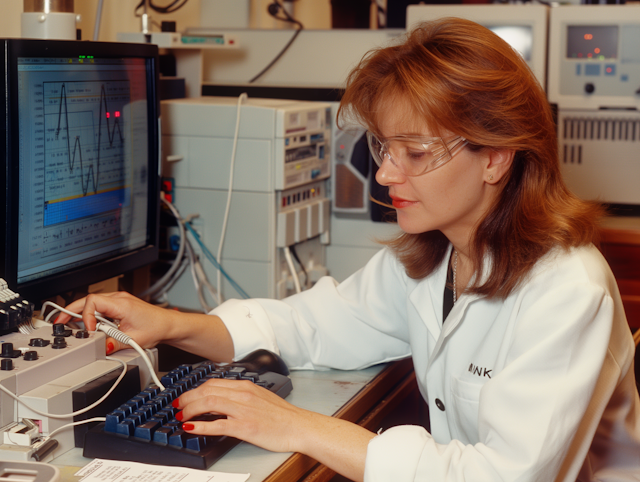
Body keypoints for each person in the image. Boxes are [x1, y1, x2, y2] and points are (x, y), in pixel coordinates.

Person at [57, 18, 640, 482]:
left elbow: (500, 476)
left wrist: (299, 427)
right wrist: (169, 324)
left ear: (495, 156)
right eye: (383, 147)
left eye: (414, 151)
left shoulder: (567, 290)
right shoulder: (432, 257)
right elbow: (310, 326)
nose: (384, 174)